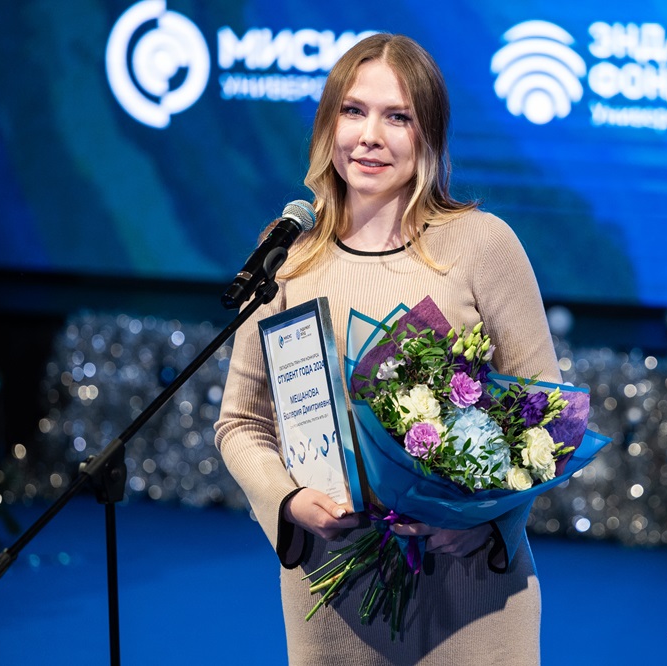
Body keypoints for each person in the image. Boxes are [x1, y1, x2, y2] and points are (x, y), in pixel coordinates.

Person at [215, 33, 561, 665]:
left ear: (428, 134)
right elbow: (241, 423)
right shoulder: (285, 262)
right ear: (328, 125)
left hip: (473, 590)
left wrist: (485, 520)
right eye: (353, 111)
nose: (369, 136)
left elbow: (547, 414)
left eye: (397, 117)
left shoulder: (483, 245)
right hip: (333, 592)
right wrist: (289, 501)